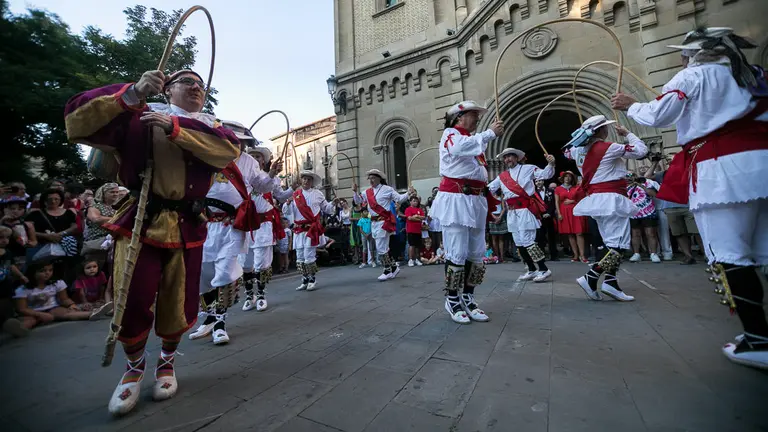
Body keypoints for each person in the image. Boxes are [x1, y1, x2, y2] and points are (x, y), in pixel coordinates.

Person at [64, 68, 241, 415]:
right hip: (141, 219)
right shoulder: (139, 116)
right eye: (186, 82)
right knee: (134, 297)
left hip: (188, 223)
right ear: (167, 88)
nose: (196, 88)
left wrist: (174, 128)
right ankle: (132, 370)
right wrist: (132, 92)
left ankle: (167, 363)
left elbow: (227, 150)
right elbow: (76, 119)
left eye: (201, 84)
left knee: (180, 299)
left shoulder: (211, 125)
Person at [611, 27, 768, 368]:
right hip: (762, 164)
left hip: (722, 170)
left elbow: (658, 116)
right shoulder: (756, 75)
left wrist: (630, 105)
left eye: (684, 52)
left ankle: (758, 338)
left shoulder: (693, 75)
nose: (682, 58)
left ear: (695, 53)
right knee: (763, 250)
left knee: (730, 253)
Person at [191, 122, 281, 346]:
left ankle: (220, 322)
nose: (238, 145)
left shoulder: (249, 162)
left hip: (233, 225)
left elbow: (262, 187)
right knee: (203, 272)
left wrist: (271, 173)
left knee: (225, 271)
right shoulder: (208, 153)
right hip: (207, 223)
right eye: (234, 140)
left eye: (242, 142)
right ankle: (210, 317)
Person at [429, 100, 503, 324]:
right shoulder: (451, 135)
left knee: (477, 252)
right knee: (457, 251)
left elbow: (478, 171)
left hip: (475, 200)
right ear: (459, 117)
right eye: (473, 114)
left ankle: (469, 297)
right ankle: (452, 299)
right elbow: (460, 148)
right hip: (457, 200)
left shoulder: (471, 142)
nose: (477, 118)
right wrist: (490, 134)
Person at [564, 115, 647, 302]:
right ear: (602, 130)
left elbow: (566, 152)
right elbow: (641, 151)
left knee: (611, 243)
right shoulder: (609, 147)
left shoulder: (577, 152)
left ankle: (611, 282)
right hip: (611, 199)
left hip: (596, 200)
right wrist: (628, 134)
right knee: (618, 245)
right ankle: (591, 276)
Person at [238, 143, 292, 315]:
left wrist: (293, 188)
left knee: (261, 263)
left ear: (264, 160)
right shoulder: (241, 174)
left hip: (263, 225)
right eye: (251, 154)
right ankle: (249, 295)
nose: (254, 157)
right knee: (245, 263)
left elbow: (281, 196)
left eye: (258, 156)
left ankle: (261, 294)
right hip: (245, 224)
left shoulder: (271, 177)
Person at [488, 148, 556, 282]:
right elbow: (490, 188)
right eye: (505, 157)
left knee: (528, 240)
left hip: (525, 210)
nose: (508, 159)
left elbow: (545, 174)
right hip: (512, 212)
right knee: (518, 242)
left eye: (510, 156)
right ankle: (531, 269)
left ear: (517, 158)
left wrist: (551, 164)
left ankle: (543, 269)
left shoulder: (529, 168)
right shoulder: (502, 176)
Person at [352, 170, 412, 281]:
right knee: (382, 246)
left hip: (384, 221)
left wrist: (408, 193)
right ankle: (393, 267)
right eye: (369, 178)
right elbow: (358, 201)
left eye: (373, 178)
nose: (371, 180)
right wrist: (355, 192)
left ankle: (387, 270)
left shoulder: (387, 189)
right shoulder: (367, 192)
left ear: (379, 178)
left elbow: (399, 198)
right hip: (373, 222)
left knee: (381, 247)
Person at [14, 260, 105, 329]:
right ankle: (17, 328)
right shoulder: (23, 289)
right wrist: (39, 314)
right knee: (30, 321)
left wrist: (71, 304)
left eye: (50, 270)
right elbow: (22, 309)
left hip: (53, 308)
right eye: (43, 271)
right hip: (33, 311)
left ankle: (95, 313)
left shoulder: (57, 283)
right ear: (33, 273)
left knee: (68, 313)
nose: (47, 273)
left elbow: (64, 299)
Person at [286, 171, 337, 291]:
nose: (306, 181)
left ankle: (312, 279)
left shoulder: (318, 194)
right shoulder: (295, 195)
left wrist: (333, 203)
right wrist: (287, 203)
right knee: (300, 256)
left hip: (311, 229)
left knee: (309, 255)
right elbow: (288, 212)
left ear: (312, 181)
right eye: (304, 179)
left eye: (308, 179)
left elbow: (327, 209)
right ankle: (304, 279)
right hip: (299, 230)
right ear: (301, 180)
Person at [0, 225, 29, 337]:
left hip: (5, 284)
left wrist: (21, 276)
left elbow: (12, 266)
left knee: (7, 304)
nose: (4, 240)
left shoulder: (7, 252)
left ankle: (10, 323)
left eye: (7, 238)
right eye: (1, 237)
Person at [627, 173, 662, 263]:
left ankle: (653, 253)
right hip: (633, 213)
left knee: (650, 233)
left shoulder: (646, 183)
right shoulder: (626, 186)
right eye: (628, 176)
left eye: (632, 176)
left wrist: (640, 185)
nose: (630, 178)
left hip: (648, 212)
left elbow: (653, 194)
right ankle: (636, 253)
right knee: (635, 234)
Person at [554, 171, 588, 262]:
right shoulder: (558, 189)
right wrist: (559, 213)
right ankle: (575, 255)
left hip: (576, 211)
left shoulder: (576, 188)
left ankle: (582, 255)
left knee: (579, 233)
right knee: (570, 234)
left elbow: (582, 199)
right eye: (566, 176)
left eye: (569, 176)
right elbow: (557, 202)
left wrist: (572, 201)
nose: (567, 178)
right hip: (564, 212)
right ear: (563, 178)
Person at [1, 196, 37, 270]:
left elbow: (34, 241)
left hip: (19, 257)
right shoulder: (1, 222)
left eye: (20, 209)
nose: (15, 211)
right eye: (12, 208)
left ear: (24, 210)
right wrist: (2, 221)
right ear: (4, 209)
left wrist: (29, 243)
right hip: (2, 256)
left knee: (18, 276)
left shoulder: (27, 225)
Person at [536, 179, 560, 261]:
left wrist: (549, 213)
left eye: (540, 181)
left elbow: (553, 203)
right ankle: (541, 256)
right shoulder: (533, 192)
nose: (538, 183)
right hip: (539, 217)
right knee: (540, 237)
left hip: (549, 216)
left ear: (543, 181)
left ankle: (554, 255)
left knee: (551, 236)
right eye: (536, 181)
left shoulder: (550, 191)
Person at [487, 190, 508, 263]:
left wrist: (500, 217)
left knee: (501, 239)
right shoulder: (490, 196)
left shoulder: (501, 197)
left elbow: (504, 208)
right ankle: (496, 256)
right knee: (494, 239)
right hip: (492, 217)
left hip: (500, 216)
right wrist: (493, 216)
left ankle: (502, 257)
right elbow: (488, 208)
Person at [405, 196, 425, 267]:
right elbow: (409, 218)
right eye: (413, 201)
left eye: (416, 201)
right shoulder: (408, 209)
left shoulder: (419, 209)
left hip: (418, 230)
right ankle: (410, 260)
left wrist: (416, 216)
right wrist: (417, 218)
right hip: (411, 230)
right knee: (411, 245)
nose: (415, 202)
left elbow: (423, 217)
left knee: (417, 246)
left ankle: (417, 259)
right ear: (410, 202)